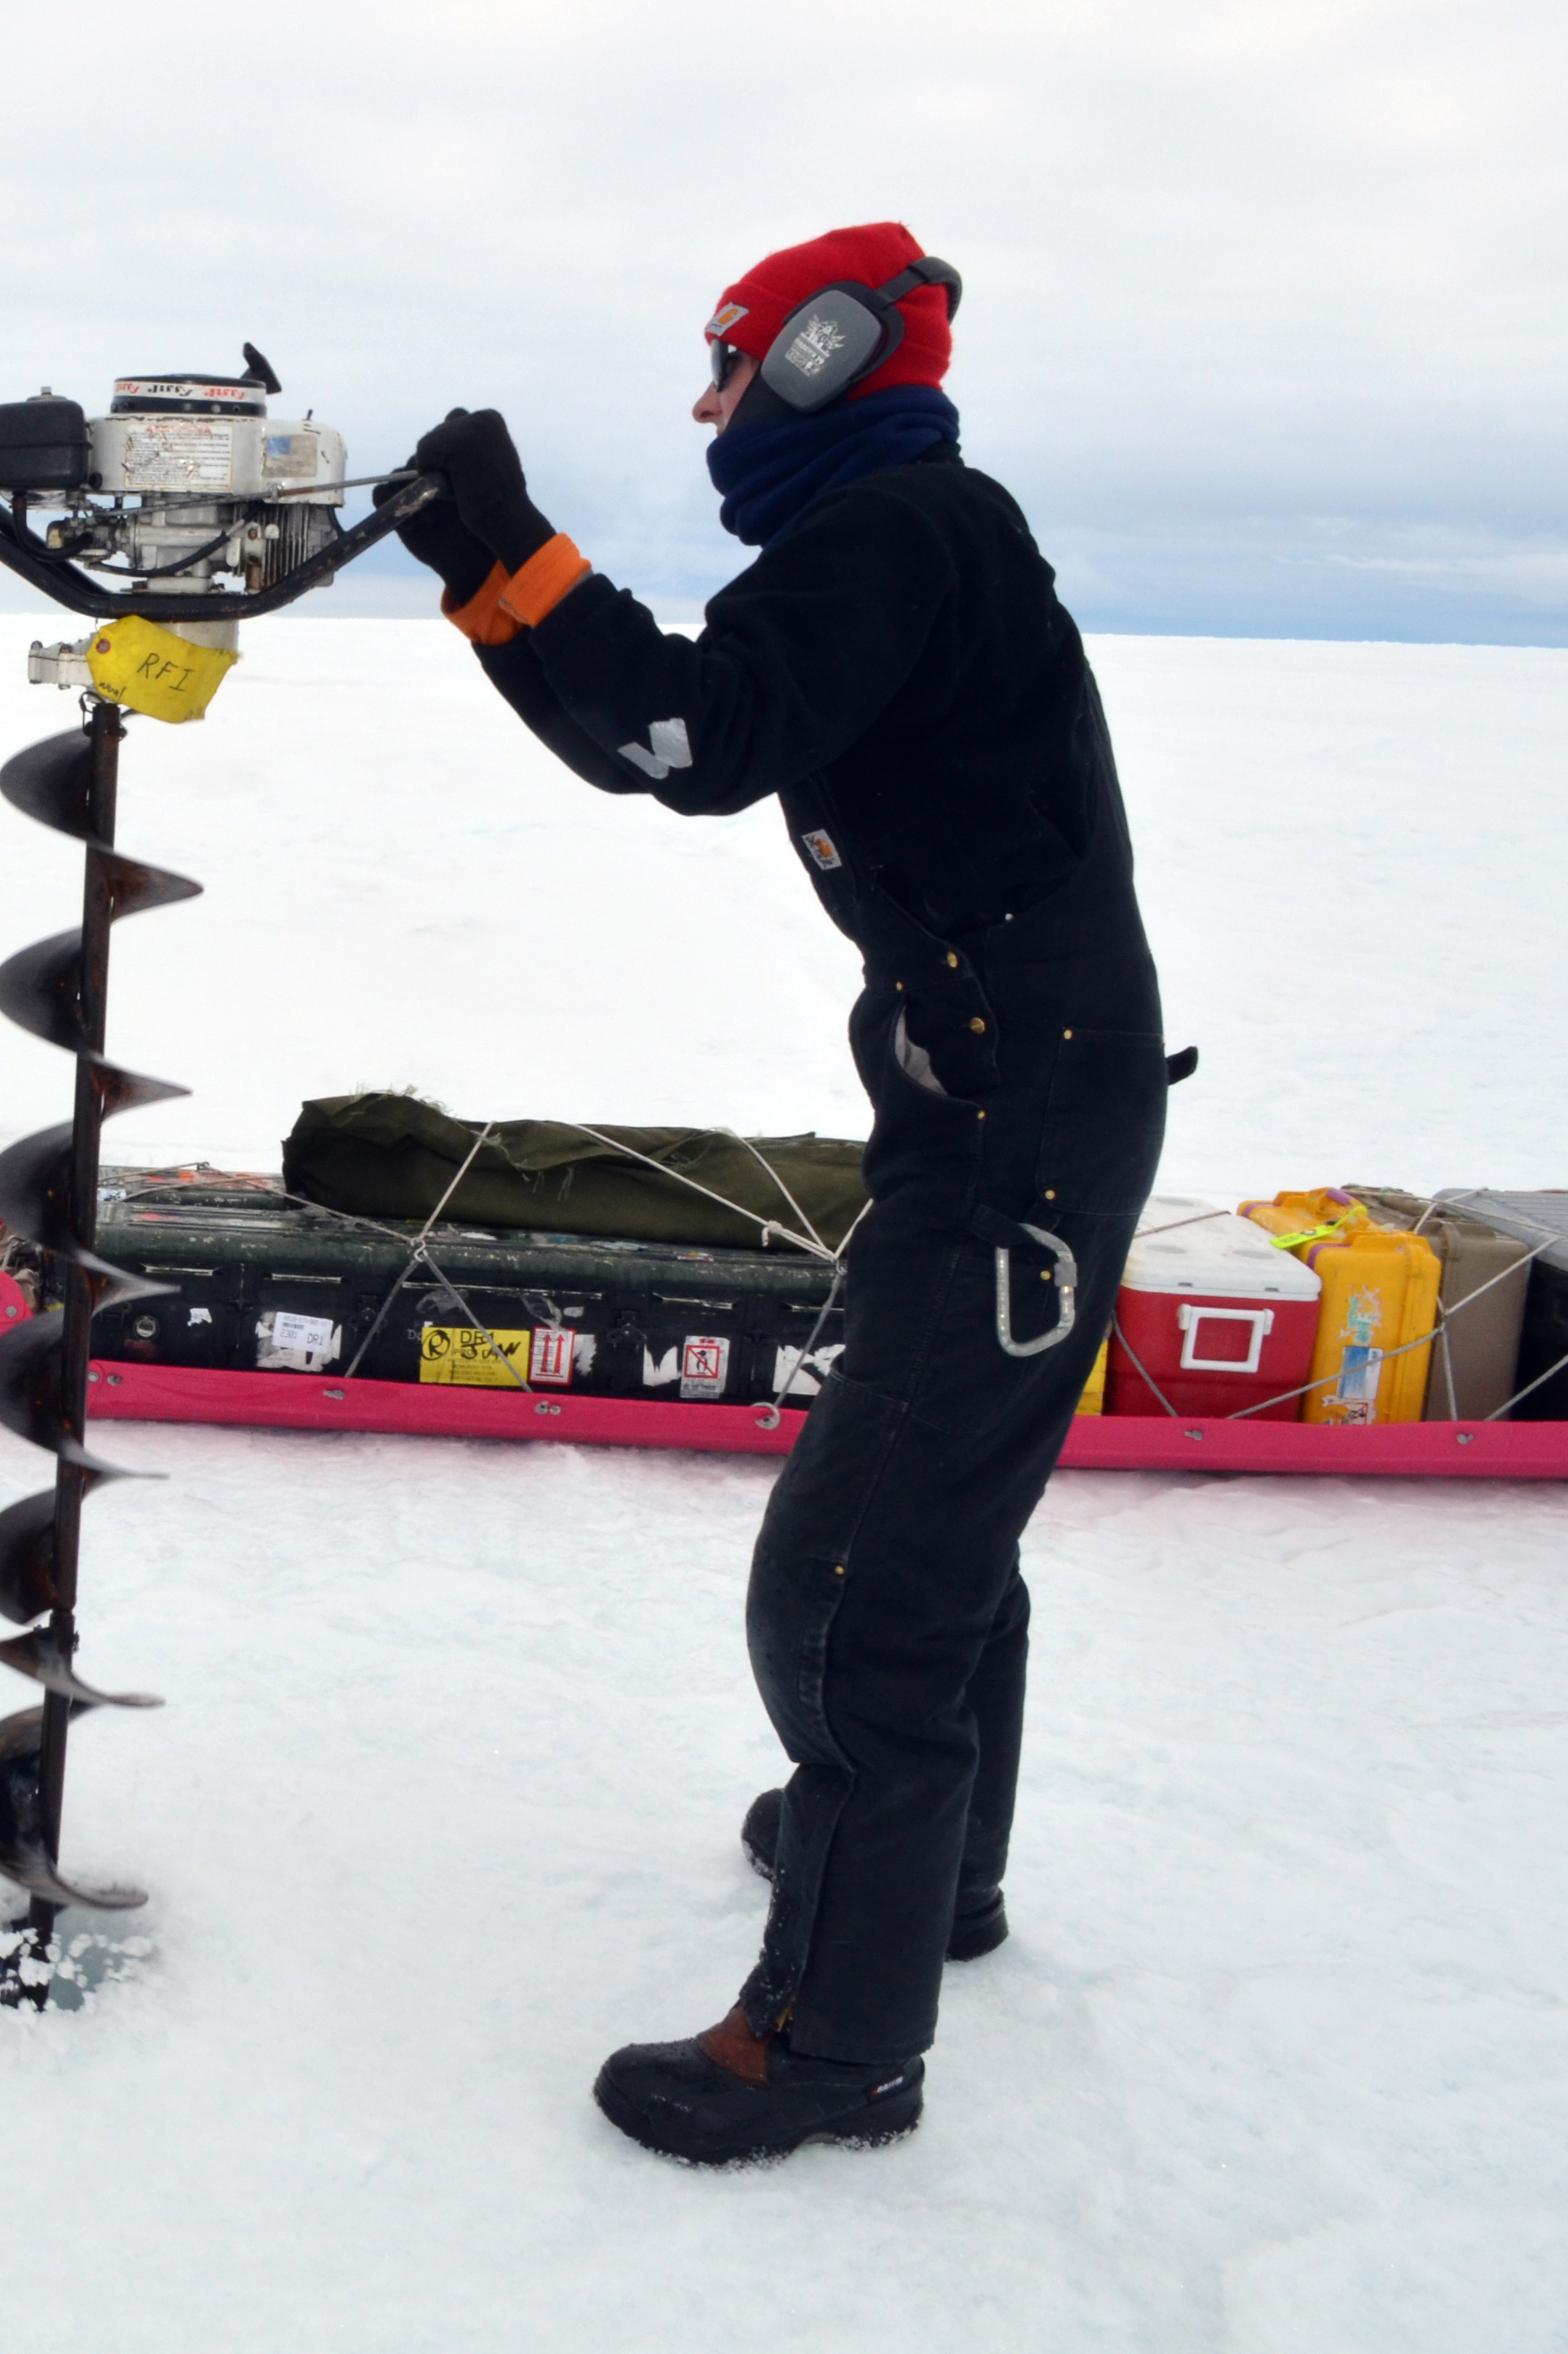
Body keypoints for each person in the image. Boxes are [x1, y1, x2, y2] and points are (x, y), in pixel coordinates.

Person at [392, 224, 1168, 2163]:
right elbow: (683, 718)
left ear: (824, 362)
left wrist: (516, 549)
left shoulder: (900, 534)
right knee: (939, 1532)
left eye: (730, 365)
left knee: (848, 1595)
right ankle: (930, 1877)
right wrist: (494, 580)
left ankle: (833, 2046)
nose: (708, 400)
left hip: (1017, 1135)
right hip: (1014, 1105)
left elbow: (693, 729)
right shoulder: (910, 534)